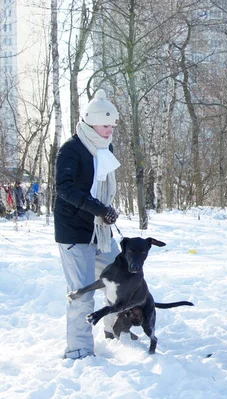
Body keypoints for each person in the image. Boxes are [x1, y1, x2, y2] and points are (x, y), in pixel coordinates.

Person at [54, 89, 121, 359]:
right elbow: (65, 188)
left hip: (100, 231)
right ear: (91, 121)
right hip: (74, 232)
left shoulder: (106, 148)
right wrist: (99, 209)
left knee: (120, 280)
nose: (110, 130)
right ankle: (79, 349)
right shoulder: (71, 149)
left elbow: (104, 187)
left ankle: (117, 330)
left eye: (113, 125)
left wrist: (107, 211)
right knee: (82, 294)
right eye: (106, 125)